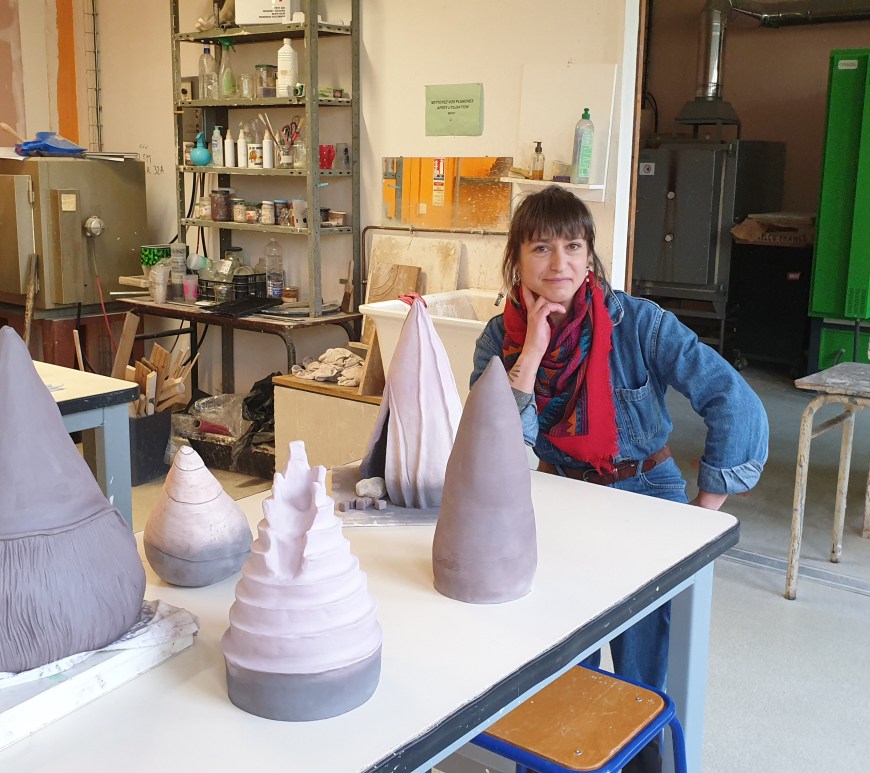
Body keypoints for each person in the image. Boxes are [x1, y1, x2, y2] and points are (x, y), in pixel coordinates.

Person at [471, 185, 768, 773]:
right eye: (541, 248)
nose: (559, 263)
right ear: (517, 259)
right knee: (556, 657)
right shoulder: (498, 340)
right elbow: (492, 452)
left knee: (640, 664)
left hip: (646, 495)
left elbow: (732, 398)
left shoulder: (639, 323)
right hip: (558, 495)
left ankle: (637, 759)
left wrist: (702, 514)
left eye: (573, 247)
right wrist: (532, 352)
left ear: (590, 256)